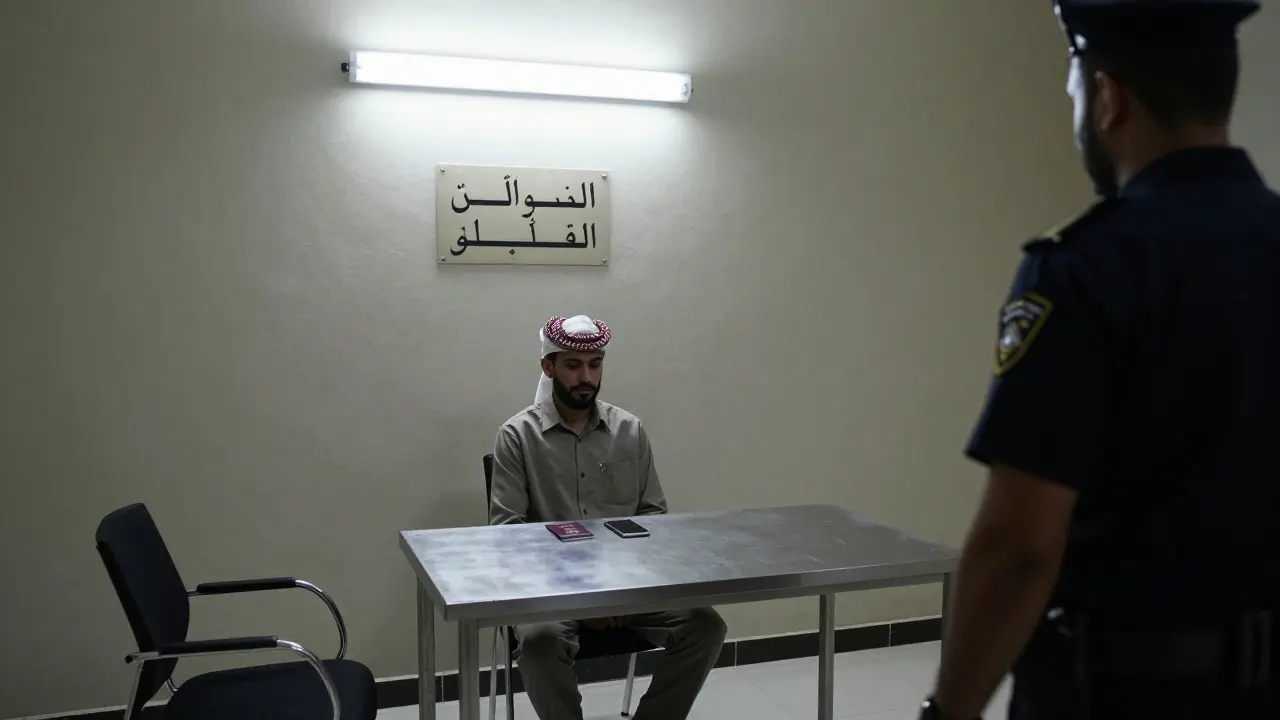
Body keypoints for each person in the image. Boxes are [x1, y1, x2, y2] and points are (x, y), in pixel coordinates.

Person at [920, 1, 1280, 718]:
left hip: (1122, 692)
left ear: (1109, 97)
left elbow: (1019, 545)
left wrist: (950, 711)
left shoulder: (1089, 267)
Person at [489, 315, 727, 720]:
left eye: (595, 364)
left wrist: (622, 591)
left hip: (631, 588)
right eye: (573, 365)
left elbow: (654, 519)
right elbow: (509, 536)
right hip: (554, 593)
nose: (586, 376)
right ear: (548, 367)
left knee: (705, 627)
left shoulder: (630, 431)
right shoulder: (517, 437)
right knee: (538, 643)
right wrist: (585, 601)